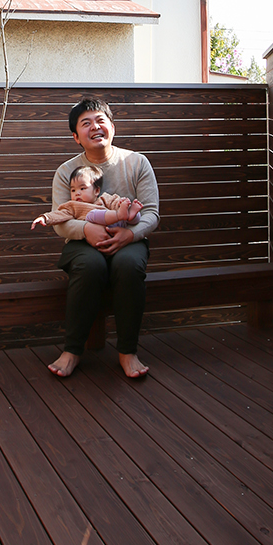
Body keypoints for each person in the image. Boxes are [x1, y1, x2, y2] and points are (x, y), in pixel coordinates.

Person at [41, 96, 159, 380]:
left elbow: (152, 213)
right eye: (86, 124)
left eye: (100, 121)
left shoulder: (137, 163)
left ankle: (128, 351)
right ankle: (72, 351)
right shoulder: (65, 172)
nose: (95, 127)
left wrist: (130, 235)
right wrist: (86, 230)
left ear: (112, 128)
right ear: (76, 137)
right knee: (90, 266)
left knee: (128, 266)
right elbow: (61, 220)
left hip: (128, 240)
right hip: (81, 244)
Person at [30, 164, 143, 244]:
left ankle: (130, 215)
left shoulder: (104, 198)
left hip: (116, 228)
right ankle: (124, 215)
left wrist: (122, 204)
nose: (77, 193)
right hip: (96, 232)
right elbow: (59, 214)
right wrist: (45, 218)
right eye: (73, 190)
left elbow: (115, 202)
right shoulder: (72, 206)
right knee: (92, 215)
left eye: (82, 188)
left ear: (96, 191)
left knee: (129, 215)